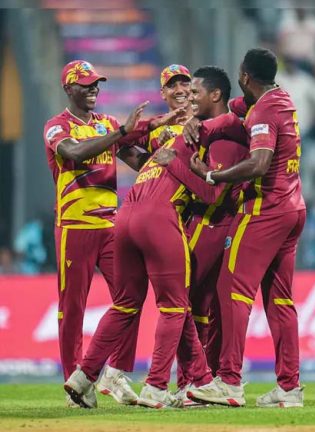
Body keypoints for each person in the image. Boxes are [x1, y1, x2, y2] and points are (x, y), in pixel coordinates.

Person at [62, 67, 240, 409]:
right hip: (160, 218)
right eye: (180, 88)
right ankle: (157, 386)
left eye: (192, 89)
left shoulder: (170, 138)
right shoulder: (201, 135)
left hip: (126, 214)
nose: (187, 95)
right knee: (175, 307)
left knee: (126, 304)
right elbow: (210, 194)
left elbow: (126, 147)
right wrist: (195, 169)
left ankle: (84, 376)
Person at [187, 48, 306, 408]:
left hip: (264, 209)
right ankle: (289, 388)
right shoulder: (280, 100)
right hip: (293, 207)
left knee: (231, 288)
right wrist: (200, 123)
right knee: (279, 300)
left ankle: (229, 381)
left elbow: (259, 163)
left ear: (244, 76)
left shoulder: (264, 111)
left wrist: (213, 175)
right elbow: (230, 114)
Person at [43, 60, 158, 407]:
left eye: (97, 83)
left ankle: (115, 373)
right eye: (87, 83)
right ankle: (76, 383)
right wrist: (122, 132)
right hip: (74, 227)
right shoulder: (56, 126)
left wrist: (165, 153)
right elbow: (74, 152)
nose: (94, 88)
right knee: (72, 309)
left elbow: (137, 160)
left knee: (131, 296)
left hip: (110, 226)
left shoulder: (107, 124)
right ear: (69, 88)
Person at [171, 67, 249, 402]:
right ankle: (202, 379)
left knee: (179, 302)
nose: (189, 98)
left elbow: (214, 194)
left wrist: (174, 164)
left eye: (195, 93)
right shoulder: (212, 130)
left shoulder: (225, 138)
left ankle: (192, 381)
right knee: (202, 305)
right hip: (211, 224)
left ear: (215, 95)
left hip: (211, 223)